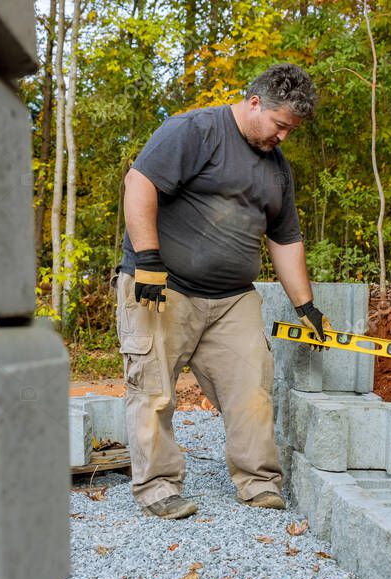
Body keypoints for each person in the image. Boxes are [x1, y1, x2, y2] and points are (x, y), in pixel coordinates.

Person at [116, 63, 330, 519]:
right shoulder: (196, 131)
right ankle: (158, 487)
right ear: (254, 103)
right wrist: (148, 260)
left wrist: (306, 305)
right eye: (279, 125)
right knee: (153, 390)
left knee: (252, 388)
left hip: (233, 297)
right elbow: (139, 182)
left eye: (291, 130)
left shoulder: (278, 168)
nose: (283, 137)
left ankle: (259, 482)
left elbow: (285, 238)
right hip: (165, 286)